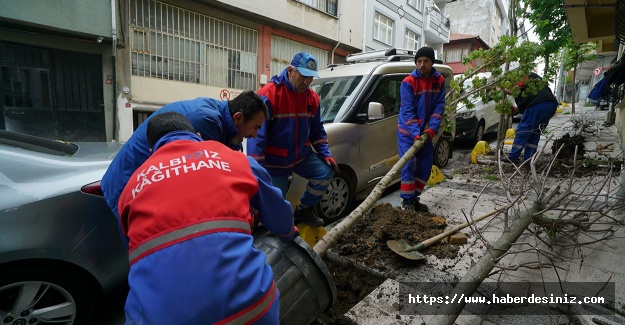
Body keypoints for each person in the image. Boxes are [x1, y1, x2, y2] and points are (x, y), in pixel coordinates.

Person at [118, 112, 297, 324]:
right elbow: (278, 213)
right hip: (251, 309)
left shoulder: (132, 187)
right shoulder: (235, 159)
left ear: (151, 150)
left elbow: (135, 252)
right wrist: (288, 232)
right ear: (198, 135)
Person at [102, 91, 268, 246]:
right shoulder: (206, 122)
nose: (255, 136)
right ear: (238, 118)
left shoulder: (226, 122)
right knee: (149, 246)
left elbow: (233, 167)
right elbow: (210, 184)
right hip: (129, 182)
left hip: (147, 181)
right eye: (256, 128)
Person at [247, 52, 338, 227]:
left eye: (310, 78)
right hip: (275, 163)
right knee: (274, 208)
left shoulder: (312, 98)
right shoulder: (269, 95)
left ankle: (303, 210)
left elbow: (317, 130)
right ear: (290, 71)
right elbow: (257, 136)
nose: (307, 82)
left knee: (325, 172)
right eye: (303, 76)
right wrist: (257, 171)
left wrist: (325, 154)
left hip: (300, 156)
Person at [396, 46, 446, 212]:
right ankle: (407, 203)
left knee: (425, 165)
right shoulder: (408, 82)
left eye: (426, 61)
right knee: (408, 165)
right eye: (419, 61)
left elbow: (439, 106)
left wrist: (432, 129)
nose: (422, 64)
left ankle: (414, 197)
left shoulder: (439, 81)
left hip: (425, 133)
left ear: (432, 62)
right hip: (407, 132)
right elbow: (408, 111)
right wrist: (415, 134)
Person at [502, 72, 558, 164]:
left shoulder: (522, 74)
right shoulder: (533, 83)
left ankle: (513, 157)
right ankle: (529, 159)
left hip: (538, 105)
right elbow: (527, 106)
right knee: (535, 132)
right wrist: (514, 109)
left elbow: (516, 90)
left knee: (523, 130)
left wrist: (504, 90)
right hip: (550, 105)